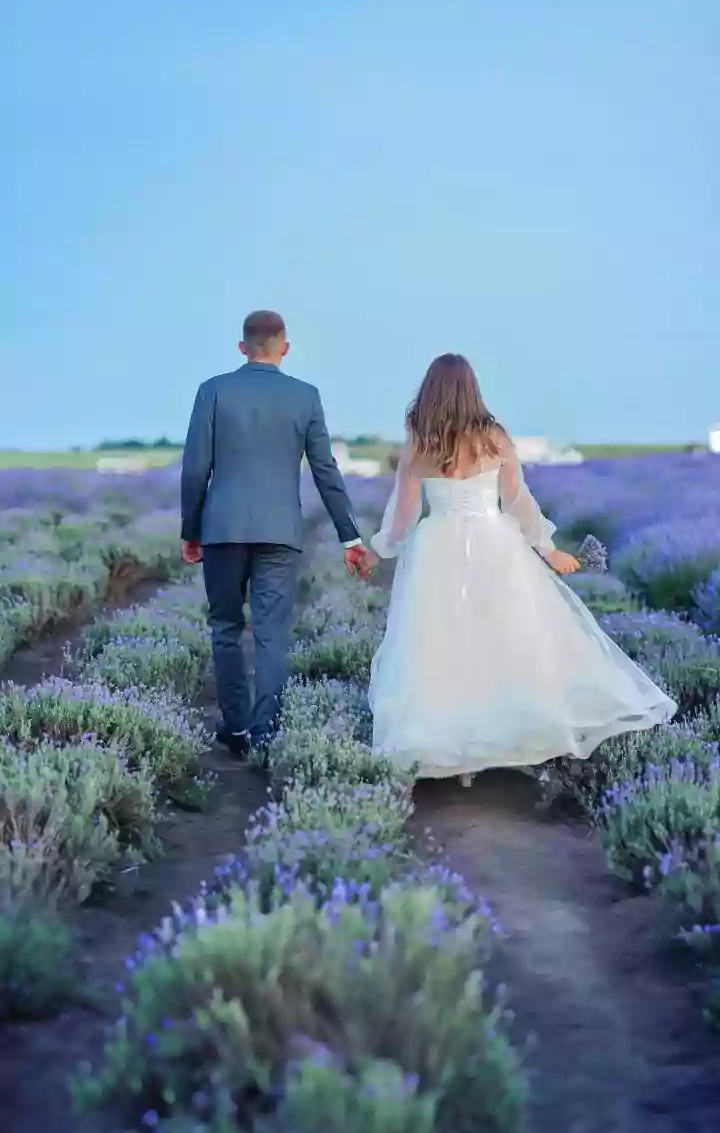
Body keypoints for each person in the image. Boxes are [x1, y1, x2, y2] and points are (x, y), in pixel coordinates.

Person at [360, 354, 677, 783]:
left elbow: (403, 513)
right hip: (495, 542)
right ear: (473, 390)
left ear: (429, 391)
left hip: (437, 545)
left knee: (440, 641)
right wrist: (548, 549)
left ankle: (451, 744)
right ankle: (509, 733)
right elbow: (517, 501)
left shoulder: (421, 440)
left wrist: (379, 550)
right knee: (506, 635)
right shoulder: (493, 437)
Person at [180, 311, 369, 758]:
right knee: (271, 634)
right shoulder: (305, 396)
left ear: (242, 347)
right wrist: (350, 537)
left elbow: (194, 469)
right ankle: (266, 734)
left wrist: (192, 529)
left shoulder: (213, 391)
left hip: (222, 529)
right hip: (280, 533)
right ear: (285, 347)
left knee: (225, 627)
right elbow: (326, 470)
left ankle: (237, 729)